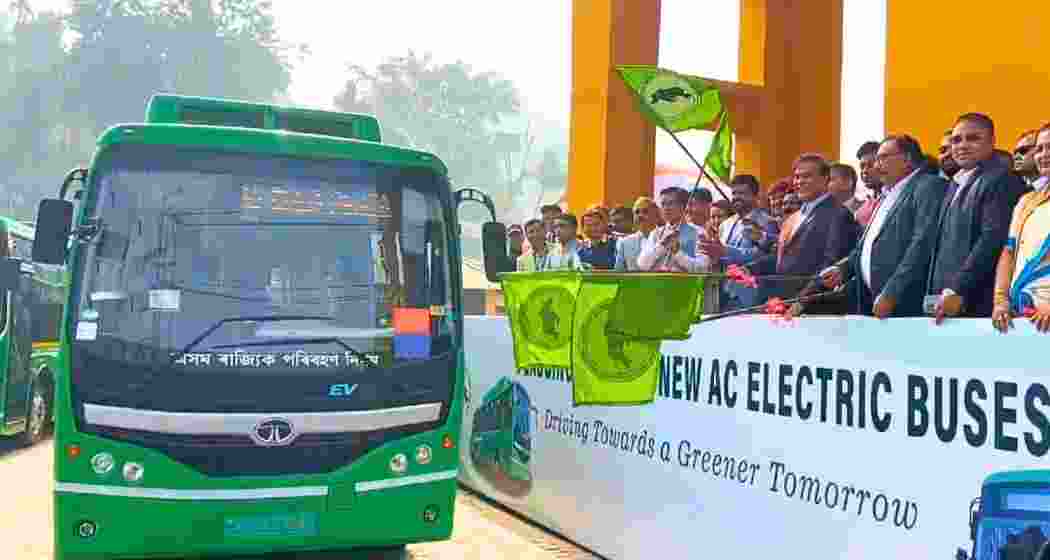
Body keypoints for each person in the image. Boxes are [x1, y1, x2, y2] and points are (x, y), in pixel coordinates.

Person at [820, 135, 948, 317]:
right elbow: (869, 244)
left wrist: (892, 292)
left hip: (905, 303)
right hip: (874, 301)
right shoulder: (888, 193)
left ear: (907, 160)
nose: (876, 166)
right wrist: (844, 268)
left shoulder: (927, 186)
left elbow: (921, 244)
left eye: (882, 158)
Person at [928, 113, 1030, 323]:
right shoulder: (955, 183)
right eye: (956, 140)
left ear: (992, 142)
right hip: (945, 303)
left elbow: (992, 241)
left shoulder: (1002, 180)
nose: (962, 146)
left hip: (977, 305)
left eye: (973, 138)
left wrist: (957, 289)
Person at [753, 154, 860, 316]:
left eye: (807, 176)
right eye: (796, 177)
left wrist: (801, 301)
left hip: (814, 310)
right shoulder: (794, 216)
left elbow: (830, 264)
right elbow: (782, 259)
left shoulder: (838, 214)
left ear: (825, 178)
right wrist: (749, 269)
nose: (799, 181)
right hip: (784, 304)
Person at [992, 123, 1050, 333]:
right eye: (1040, 148)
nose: (1043, 155)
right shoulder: (1026, 201)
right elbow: (1009, 251)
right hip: (1022, 314)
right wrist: (1000, 300)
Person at [699, 174, 778, 309]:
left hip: (750, 296)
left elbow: (765, 257)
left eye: (742, 193)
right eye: (734, 193)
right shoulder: (726, 223)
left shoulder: (767, 222)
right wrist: (711, 255)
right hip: (721, 293)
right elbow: (719, 254)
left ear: (755, 195)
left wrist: (725, 251)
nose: (736, 197)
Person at [637, 187, 710, 273]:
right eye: (663, 204)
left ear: (683, 206)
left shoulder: (699, 233)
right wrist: (661, 245)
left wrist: (678, 253)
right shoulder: (656, 233)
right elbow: (642, 264)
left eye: (671, 203)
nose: (666, 208)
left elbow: (702, 268)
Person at [614, 196, 660, 272]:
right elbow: (618, 273)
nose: (640, 215)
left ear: (656, 216)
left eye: (645, 211)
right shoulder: (625, 242)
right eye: (637, 212)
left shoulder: (667, 238)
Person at [578, 205, 617, 270]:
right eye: (588, 225)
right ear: (582, 228)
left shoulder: (616, 244)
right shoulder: (579, 249)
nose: (593, 228)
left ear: (604, 224)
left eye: (596, 224)